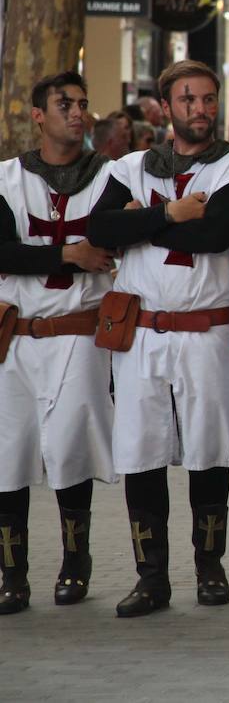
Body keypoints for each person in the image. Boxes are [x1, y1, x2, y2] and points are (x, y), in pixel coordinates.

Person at [87, 60, 229, 617]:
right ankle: (151, 576)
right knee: (142, 452)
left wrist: (144, 221)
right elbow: (100, 229)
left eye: (208, 99)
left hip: (207, 332)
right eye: (188, 100)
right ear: (166, 107)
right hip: (142, 332)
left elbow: (212, 236)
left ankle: (210, 568)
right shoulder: (130, 167)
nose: (201, 110)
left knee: (208, 451)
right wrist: (171, 212)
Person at [0, 72, 117, 615]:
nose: (77, 112)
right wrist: (66, 255)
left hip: (77, 332)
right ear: (38, 115)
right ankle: (12, 573)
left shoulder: (110, 179)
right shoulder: (6, 180)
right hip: (16, 338)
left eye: (83, 104)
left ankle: (75, 561)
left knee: (71, 448)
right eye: (64, 104)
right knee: (8, 455)